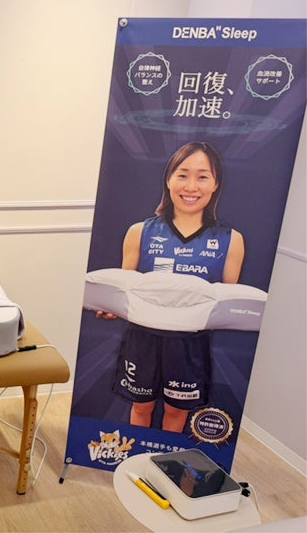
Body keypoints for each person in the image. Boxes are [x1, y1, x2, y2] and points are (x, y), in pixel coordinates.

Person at [101, 141, 245, 433]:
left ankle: (164, 460)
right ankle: (136, 456)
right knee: (141, 407)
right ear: (168, 179)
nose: (191, 186)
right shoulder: (140, 232)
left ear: (215, 183)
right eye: (182, 175)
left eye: (202, 176)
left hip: (189, 345)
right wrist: (111, 307)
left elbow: (228, 304)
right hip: (141, 340)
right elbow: (124, 290)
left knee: (177, 412)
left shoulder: (231, 240)